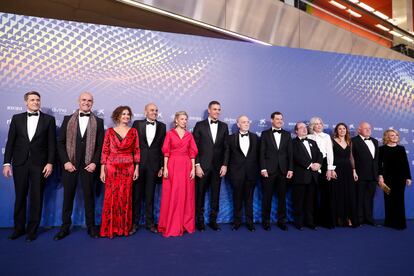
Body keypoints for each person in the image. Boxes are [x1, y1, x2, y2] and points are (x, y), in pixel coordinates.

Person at [3, 91, 56, 242]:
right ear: (26, 102)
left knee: (37, 197)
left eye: (38, 100)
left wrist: (50, 162)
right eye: (32, 100)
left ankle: (32, 230)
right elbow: (10, 143)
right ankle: (18, 229)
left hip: (39, 165)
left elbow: (52, 144)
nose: (35, 102)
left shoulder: (49, 120)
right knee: (20, 196)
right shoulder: (17, 118)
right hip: (20, 164)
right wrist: (7, 163)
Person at [54, 92, 104, 240]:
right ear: (78, 101)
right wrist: (66, 162)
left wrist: (95, 162)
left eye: (89, 100)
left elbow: (100, 146)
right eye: (84, 100)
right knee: (68, 197)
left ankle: (91, 227)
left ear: (92, 103)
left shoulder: (99, 122)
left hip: (89, 166)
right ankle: (64, 228)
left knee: (89, 197)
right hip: (70, 165)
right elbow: (60, 143)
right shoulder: (68, 119)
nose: (86, 102)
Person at [100, 106, 140, 238]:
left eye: (128, 114)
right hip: (112, 167)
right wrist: (102, 170)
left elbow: (136, 151)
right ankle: (110, 228)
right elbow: (105, 151)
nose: (126, 117)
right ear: (117, 116)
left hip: (128, 167)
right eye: (123, 114)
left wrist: (136, 168)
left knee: (125, 196)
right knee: (111, 197)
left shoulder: (134, 131)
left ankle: (123, 228)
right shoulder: (110, 132)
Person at [158, 111, 198, 237]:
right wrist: (165, 168)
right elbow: (166, 152)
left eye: (186, 119)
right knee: (172, 194)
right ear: (176, 120)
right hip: (172, 165)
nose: (184, 121)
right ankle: (171, 223)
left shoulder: (189, 135)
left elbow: (192, 153)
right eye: (182, 119)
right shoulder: (169, 134)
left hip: (186, 166)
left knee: (186, 195)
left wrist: (192, 169)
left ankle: (184, 223)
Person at [193, 101, 229, 231]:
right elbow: (194, 148)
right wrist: (197, 165)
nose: (217, 112)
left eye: (219, 109)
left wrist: (224, 165)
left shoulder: (224, 126)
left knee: (215, 195)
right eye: (214, 109)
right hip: (202, 167)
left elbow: (226, 148)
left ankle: (213, 221)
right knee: (200, 195)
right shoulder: (199, 125)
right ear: (209, 110)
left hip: (217, 167)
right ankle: (200, 221)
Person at [131, 103, 166, 234]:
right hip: (138, 166)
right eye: (152, 110)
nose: (154, 112)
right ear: (145, 112)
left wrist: (162, 166)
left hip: (154, 166)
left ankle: (150, 223)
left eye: (156, 110)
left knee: (150, 196)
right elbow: (133, 145)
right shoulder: (137, 124)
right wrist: (134, 165)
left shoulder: (162, 127)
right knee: (136, 196)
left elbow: (163, 149)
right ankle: (134, 223)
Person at [225, 115, 259, 232]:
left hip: (251, 173)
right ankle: (237, 222)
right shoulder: (230, 138)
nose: (246, 124)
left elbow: (259, 157)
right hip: (236, 174)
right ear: (238, 124)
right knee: (237, 199)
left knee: (249, 200)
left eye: (247, 122)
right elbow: (227, 155)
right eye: (243, 122)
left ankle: (250, 223)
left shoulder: (255, 138)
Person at [260, 111, 293, 231]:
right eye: (277, 119)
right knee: (267, 198)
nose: (280, 121)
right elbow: (261, 153)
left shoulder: (287, 134)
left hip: (283, 171)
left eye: (281, 119)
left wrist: (290, 169)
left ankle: (282, 221)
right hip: (268, 170)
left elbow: (290, 154)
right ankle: (266, 221)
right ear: (272, 120)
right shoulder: (265, 134)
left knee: (282, 198)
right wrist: (263, 168)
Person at [291, 122, 322, 230]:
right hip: (300, 177)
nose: (304, 129)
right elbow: (296, 156)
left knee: (310, 202)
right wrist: (310, 165)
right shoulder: (292, 143)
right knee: (299, 201)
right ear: (296, 131)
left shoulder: (313, 142)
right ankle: (298, 223)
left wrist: (318, 163)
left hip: (313, 177)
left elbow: (320, 154)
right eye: (301, 128)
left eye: (305, 127)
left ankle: (310, 222)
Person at [378, 129, 412, 230]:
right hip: (387, 179)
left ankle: (400, 223)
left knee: (399, 200)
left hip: (400, 179)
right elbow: (379, 165)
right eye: (392, 135)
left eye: (396, 135)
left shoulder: (401, 149)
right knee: (388, 199)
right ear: (387, 137)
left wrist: (408, 177)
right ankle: (389, 222)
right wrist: (380, 177)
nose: (395, 137)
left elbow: (405, 164)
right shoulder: (382, 149)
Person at [308, 117, 336, 228]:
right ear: (312, 126)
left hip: (324, 165)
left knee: (326, 194)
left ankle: (326, 221)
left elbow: (330, 153)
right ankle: (312, 221)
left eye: (320, 124)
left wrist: (330, 169)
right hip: (312, 166)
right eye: (316, 124)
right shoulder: (308, 137)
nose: (319, 125)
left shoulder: (327, 137)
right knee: (312, 194)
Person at [351, 122, 379, 226]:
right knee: (359, 197)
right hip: (360, 174)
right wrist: (354, 171)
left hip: (373, 175)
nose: (368, 130)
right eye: (365, 128)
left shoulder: (375, 141)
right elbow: (351, 158)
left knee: (370, 198)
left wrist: (378, 174)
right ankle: (359, 219)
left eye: (369, 128)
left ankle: (369, 218)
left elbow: (376, 160)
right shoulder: (353, 141)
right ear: (359, 130)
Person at [332, 123, 358, 227]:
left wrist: (354, 170)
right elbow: (330, 156)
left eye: (344, 129)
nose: (342, 130)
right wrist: (331, 169)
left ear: (346, 130)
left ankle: (349, 218)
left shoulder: (349, 141)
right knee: (338, 194)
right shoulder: (332, 141)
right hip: (337, 169)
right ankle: (338, 218)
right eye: (340, 129)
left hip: (348, 169)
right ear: (336, 130)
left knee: (349, 194)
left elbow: (351, 157)